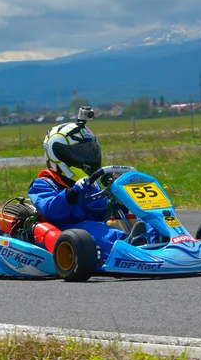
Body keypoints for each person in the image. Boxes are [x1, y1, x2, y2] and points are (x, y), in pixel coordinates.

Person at [27, 110, 153, 260]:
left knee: (143, 216)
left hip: (95, 226)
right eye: (79, 153)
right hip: (69, 231)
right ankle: (131, 246)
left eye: (89, 152)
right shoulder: (43, 184)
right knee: (95, 229)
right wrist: (72, 193)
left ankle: (160, 238)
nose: (86, 158)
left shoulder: (91, 184)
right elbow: (51, 211)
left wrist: (116, 197)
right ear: (59, 155)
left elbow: (101, 211)